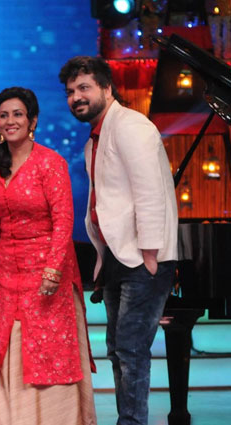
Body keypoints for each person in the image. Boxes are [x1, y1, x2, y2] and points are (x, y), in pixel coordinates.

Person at [59, 56, 177, 425]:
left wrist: (150, 254)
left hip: (143, 258)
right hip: (116, 257)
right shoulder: (95, 139)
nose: (76, 97)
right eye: (70, 92)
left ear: (107, 88)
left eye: (84, 88)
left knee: (130, 349)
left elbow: (150, 192)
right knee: (118, 349)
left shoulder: (130, 126)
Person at [0, 87, 96, 425]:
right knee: (7, 350)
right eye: (3, 115)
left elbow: (64, 220)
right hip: (9, 278)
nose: (10, 121)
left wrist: (52, 271)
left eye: (17, 114)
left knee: (48, 353)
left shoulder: (50, 163)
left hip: (47, 275)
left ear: (33, 121)